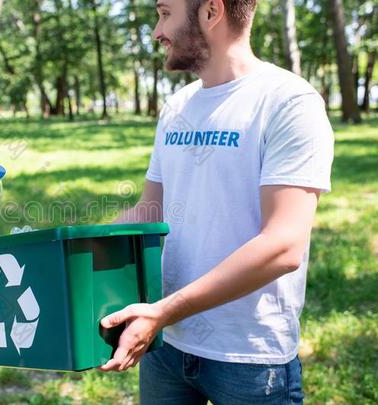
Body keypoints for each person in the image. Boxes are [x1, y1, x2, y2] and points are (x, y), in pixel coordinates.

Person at [99, 1, 334, 404]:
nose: (157, 31)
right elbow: (149, 211)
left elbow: (283, 246)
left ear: (211, 12)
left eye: (164, 13)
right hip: (167, 344)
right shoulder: (177, 107)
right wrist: (66, 248)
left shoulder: (288, 102)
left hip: (249, 358)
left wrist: (164, 312)